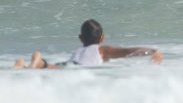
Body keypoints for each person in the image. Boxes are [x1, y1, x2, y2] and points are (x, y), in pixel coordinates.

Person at [12, 19, 163, 69]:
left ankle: (30, 63)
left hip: (71, 63)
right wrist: (152, 51)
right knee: (57, 69)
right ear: (102, 37)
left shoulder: (79, 50)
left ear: (80, 38)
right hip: (77, 68)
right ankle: (37, 63)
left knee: (54, 68)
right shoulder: (103, 50)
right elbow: (127, 51)